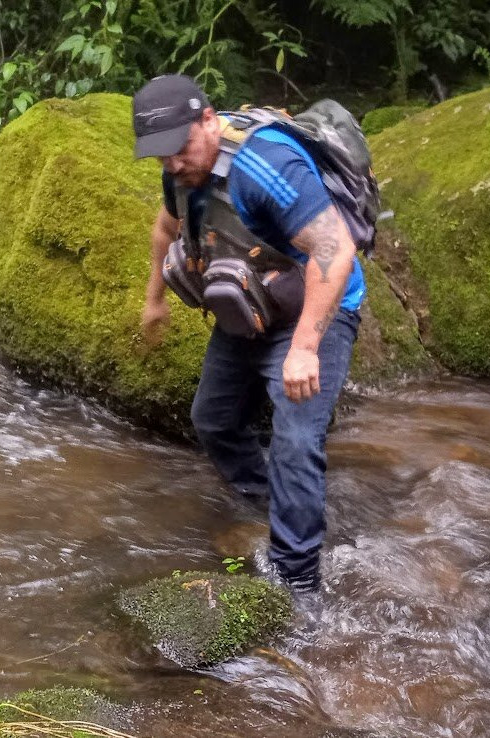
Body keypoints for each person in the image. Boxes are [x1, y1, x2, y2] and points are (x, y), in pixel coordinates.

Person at [133, 74, 365, 594]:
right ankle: (270, 502)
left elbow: (336, 251)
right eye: (161, 155)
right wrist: (154, 300)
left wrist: (304, 349)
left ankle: (298, 580)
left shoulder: (265, 166)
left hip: (317, 308)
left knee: (296, 441)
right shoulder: (180, 173)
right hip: (253, 303)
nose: (172, 164)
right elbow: (166, 229)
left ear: (208, 120)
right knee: (212, 420)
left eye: (180, 148)